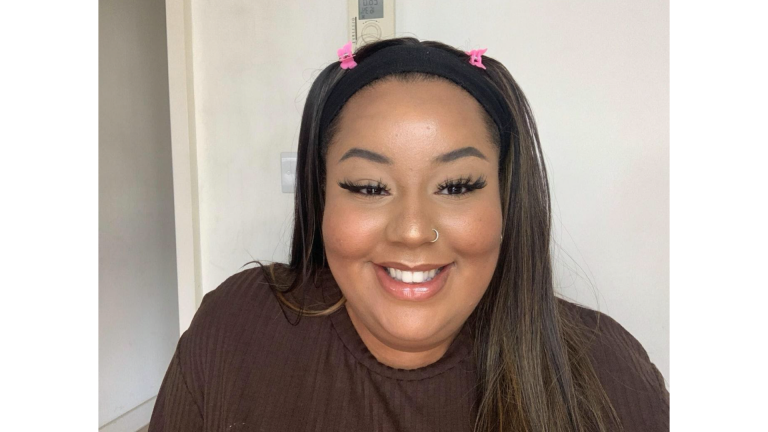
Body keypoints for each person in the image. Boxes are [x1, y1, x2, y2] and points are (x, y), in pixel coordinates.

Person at [148, 37, 669, 432]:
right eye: (369, 187)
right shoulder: (237, 331)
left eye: (458, 185)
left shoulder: (610, 374)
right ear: (321, 195)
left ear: (508, 201)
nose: (414, 231)